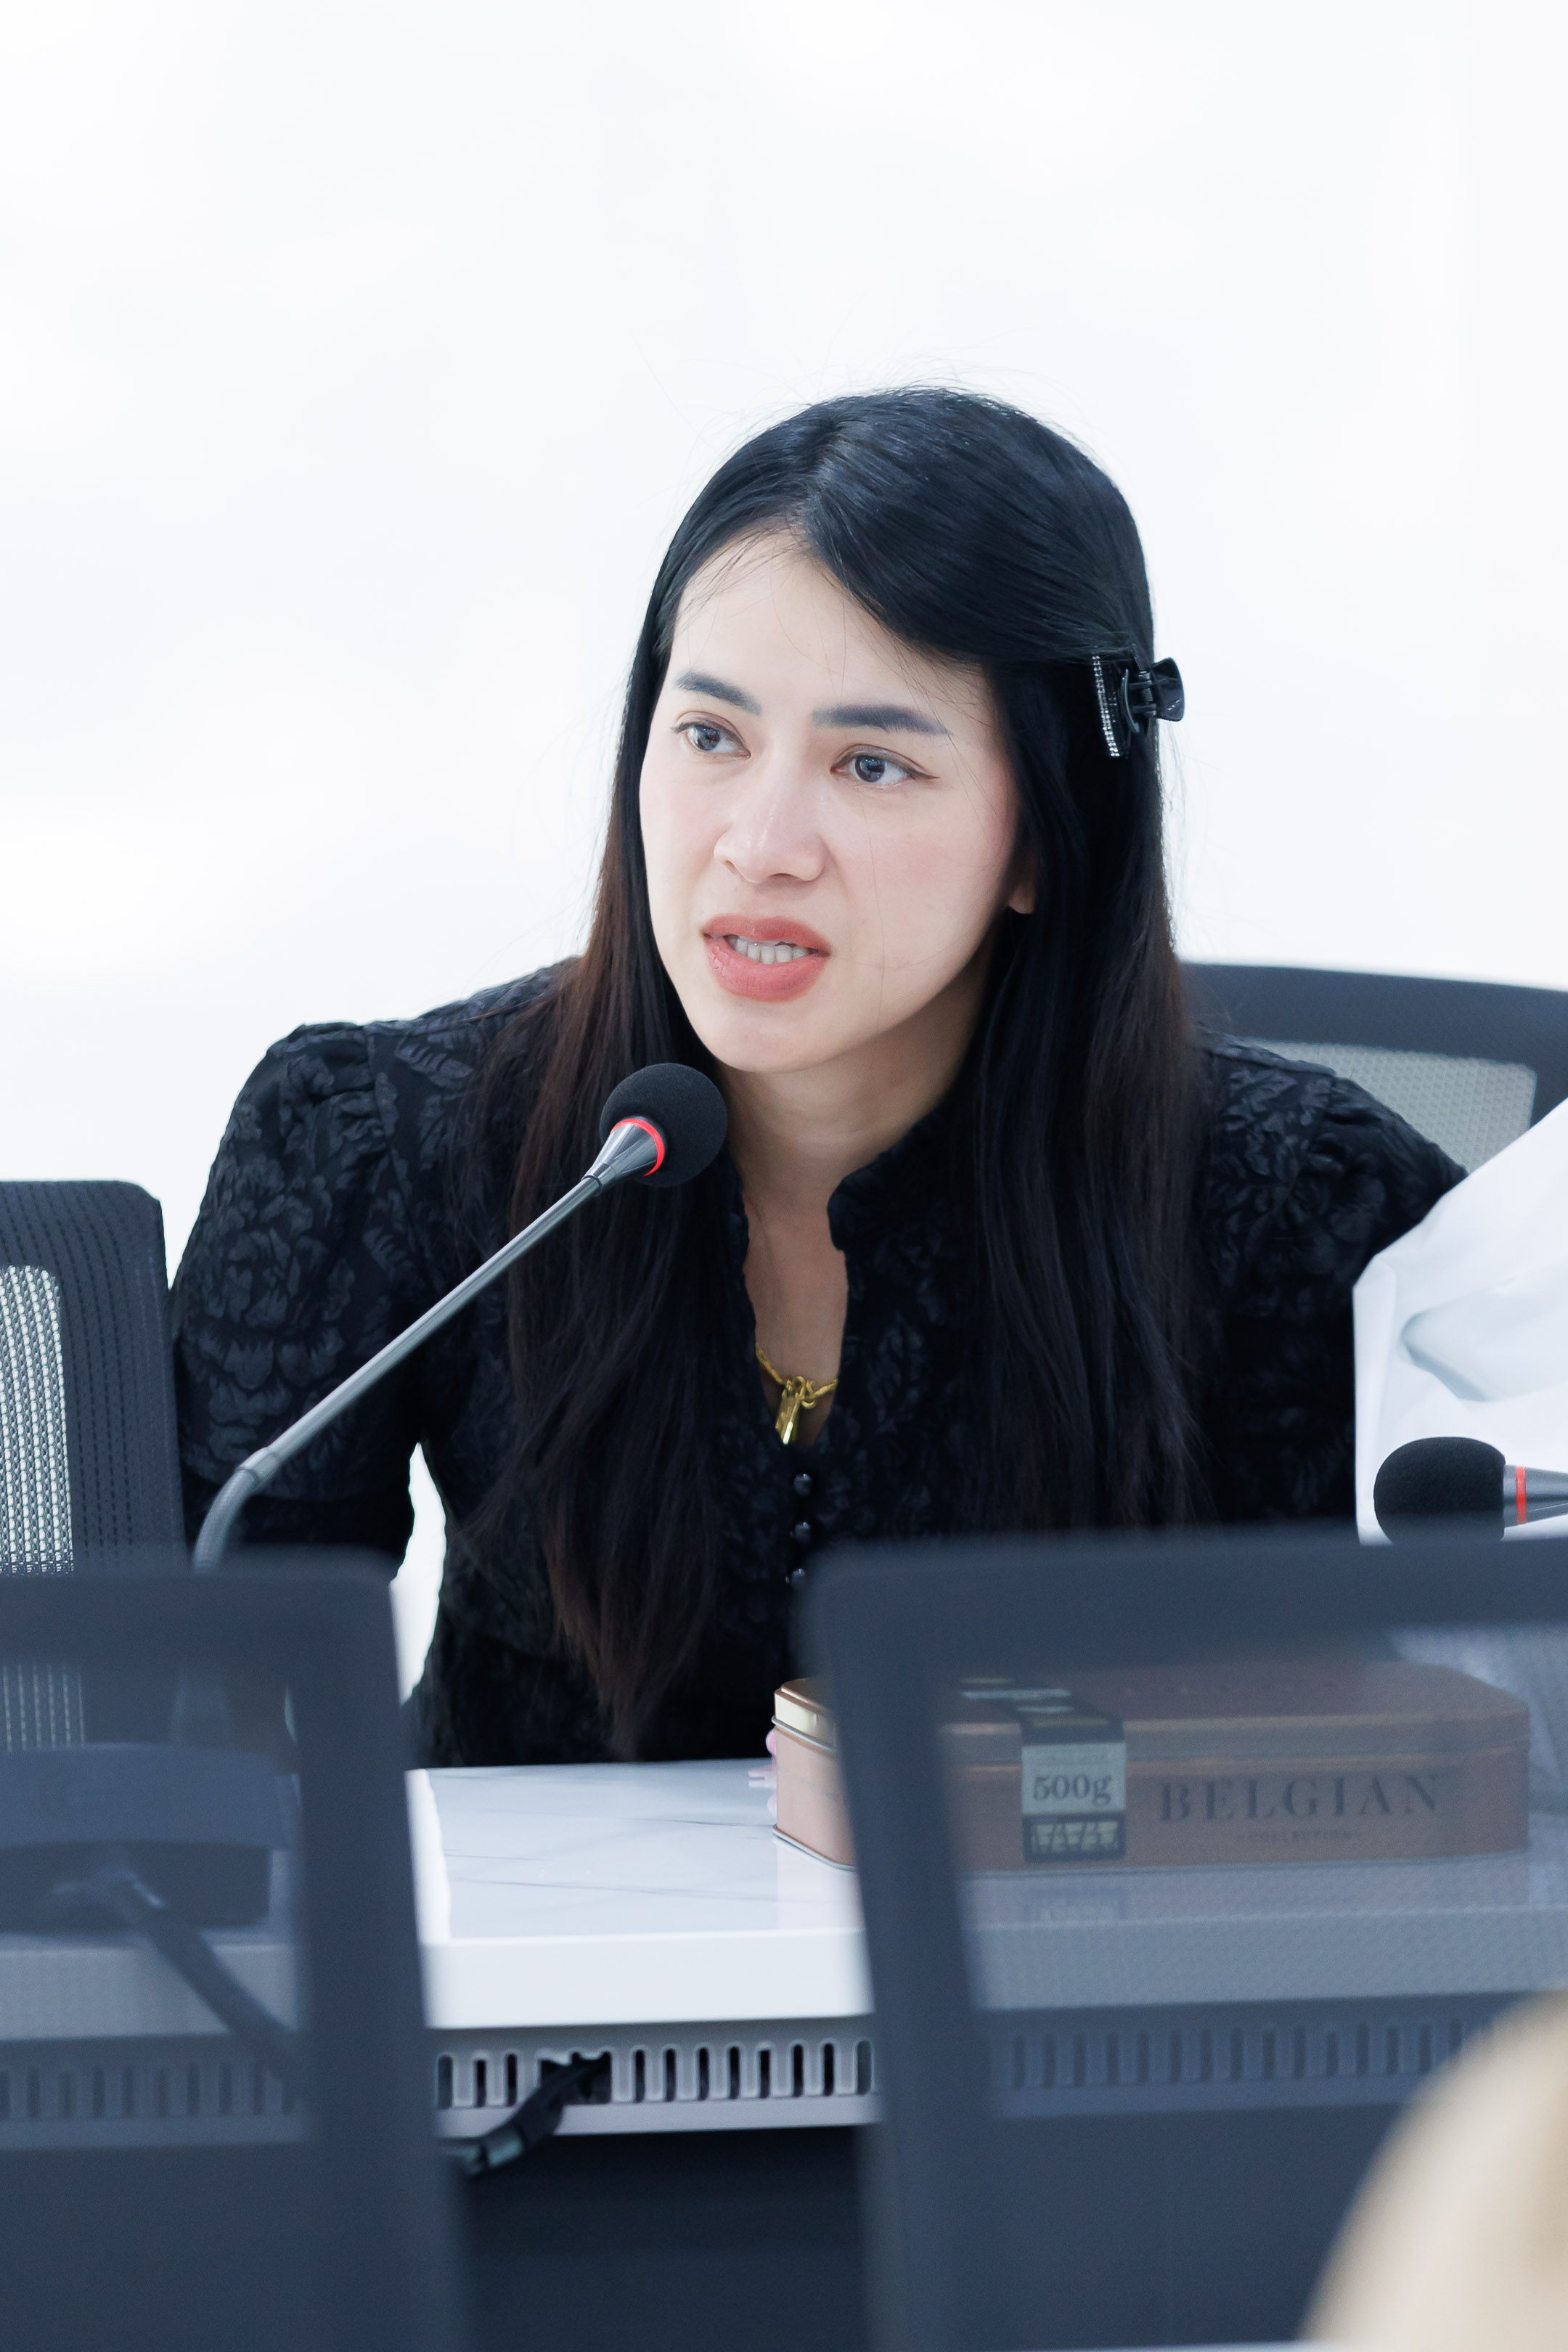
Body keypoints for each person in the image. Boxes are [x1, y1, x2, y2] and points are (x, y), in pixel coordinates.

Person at [173, 387, 1458, 1765]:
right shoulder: (385, 1141)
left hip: (1042, 1910)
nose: (761, 843)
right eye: (711, 737)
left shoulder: (1300, 1216)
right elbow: (182, 1714)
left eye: (872, 764)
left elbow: (1455, 1748)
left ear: (1043, 839)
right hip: (533, 1915)